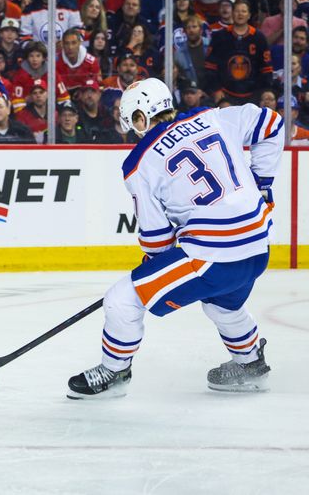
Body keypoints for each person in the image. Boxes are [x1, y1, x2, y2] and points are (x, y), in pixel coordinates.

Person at [67, 77, 284, 399]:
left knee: (123, 299)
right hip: (257, 246)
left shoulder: (139, 162)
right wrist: (262, 184)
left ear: (141, 117)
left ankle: (114, 372)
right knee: (223, 306)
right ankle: (250, 364)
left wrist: (151, 268)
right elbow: (272, 123)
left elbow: (156, 237)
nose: (133, 132)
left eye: (132, 124)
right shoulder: (212, 116)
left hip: (214, 258)